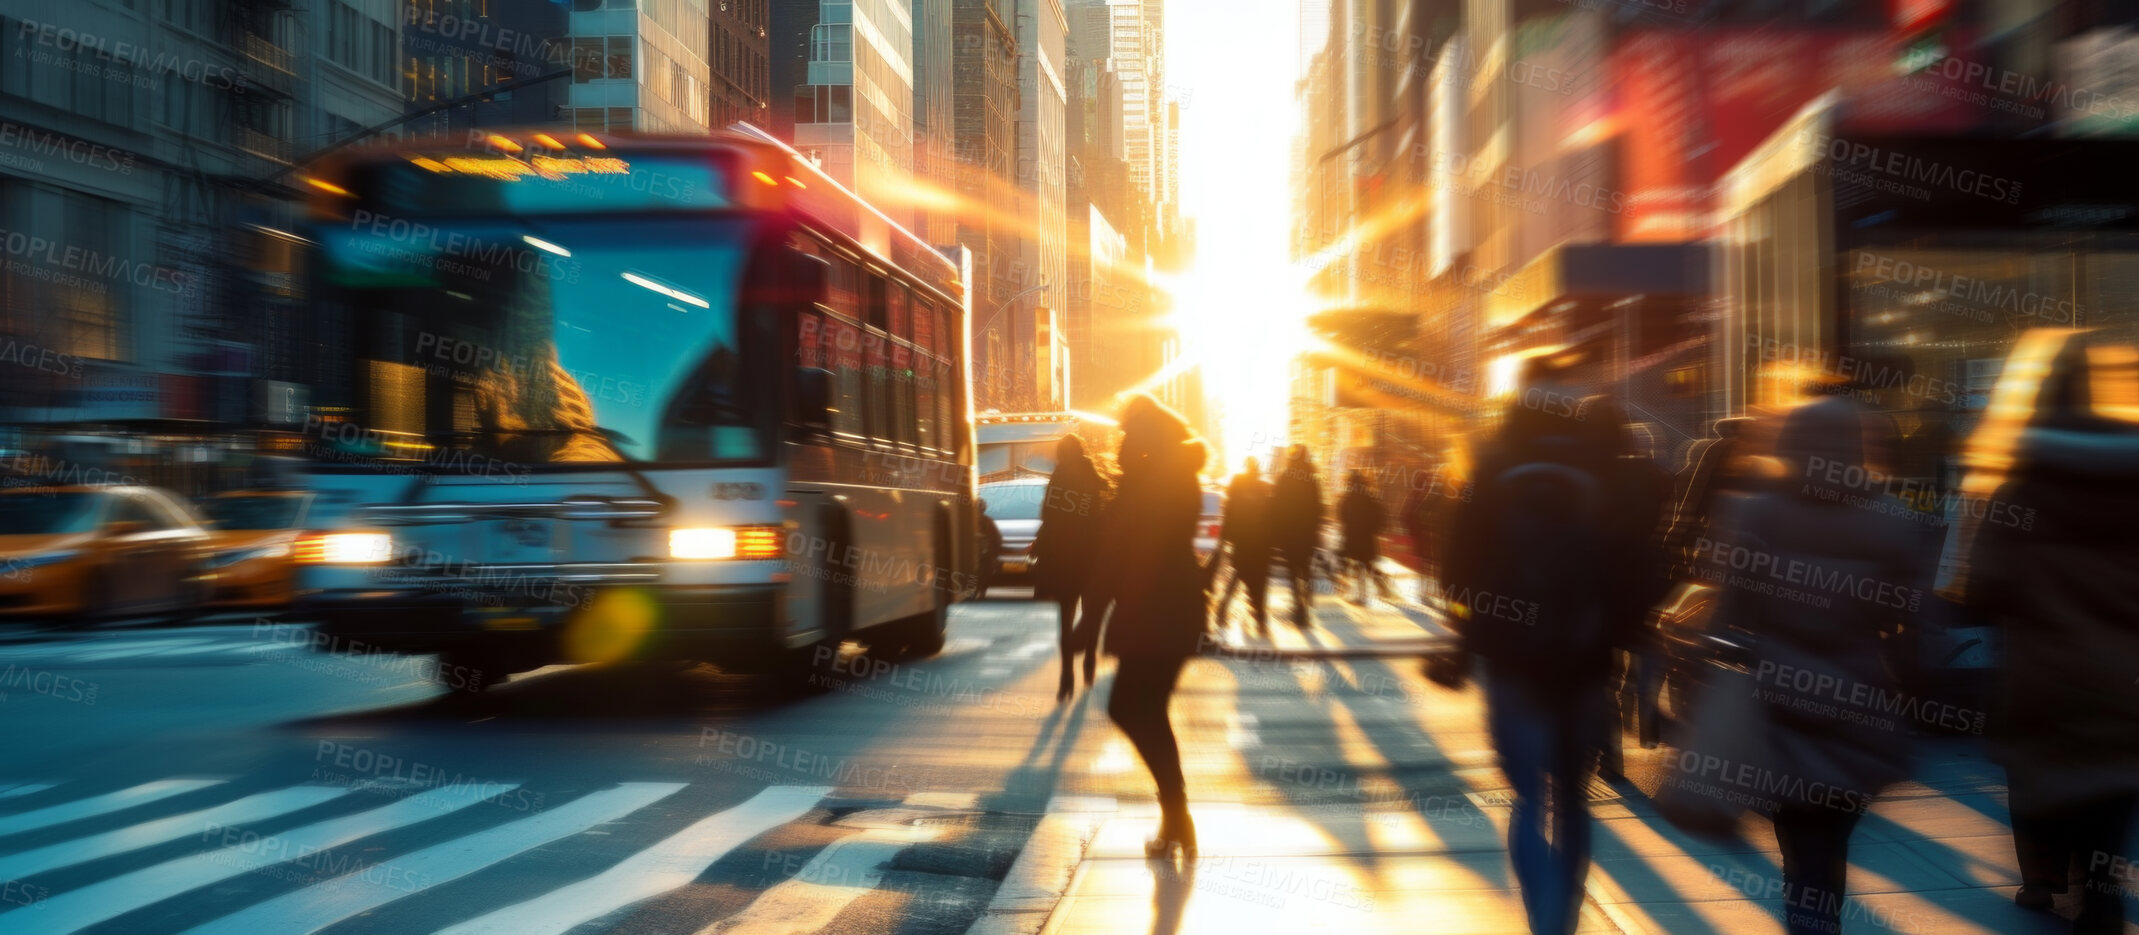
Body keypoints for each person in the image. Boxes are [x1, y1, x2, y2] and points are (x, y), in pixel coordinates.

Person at [1438, 373, 1668, 935]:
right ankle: (1560, 916)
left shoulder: (1488, 469)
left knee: (1525, 797)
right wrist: (1619, 633)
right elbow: (1641, 571)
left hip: (1511, 662)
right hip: (1583, 667)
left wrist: (1472, 633)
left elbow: (1454, 572)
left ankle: (1540, 911)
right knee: (1571, 800)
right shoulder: (1605, 472)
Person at [1708, 396, 1932, 935]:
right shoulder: (1895, 518)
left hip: (1779, 702)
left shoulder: (1755, 512)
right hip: (1859, 702)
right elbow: (1914, 622)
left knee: (1800, 851)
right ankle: (1822, 916)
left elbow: (1730, 612)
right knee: (1832, 842)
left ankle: (1812, 921)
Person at [1961, 331, 2139, 932]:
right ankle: (2100, 891)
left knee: (2040, 775)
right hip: (2124, 676)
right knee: (2111, 784)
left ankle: (2040, 879)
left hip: (2041, 677)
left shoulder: (2020, 490)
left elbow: (1983, 590)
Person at [1099, 394, 1209, 860]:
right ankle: (1176, 818)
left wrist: (1105, 613)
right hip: (1167, 610)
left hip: (1158, 611)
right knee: (1144, 708)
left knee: (1131, 706)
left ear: (1148, 434)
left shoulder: (1159, 478)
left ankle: (1177, 814)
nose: (1123, 438)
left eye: (1130, 431)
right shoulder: (1166, 472)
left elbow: (1134, 548)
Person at [1032, 434, 1112, 702]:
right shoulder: (1097, 479)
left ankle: (1066, 675)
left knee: (1064, 618)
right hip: (1092, 559)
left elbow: (1048, 516)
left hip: (1063, 560)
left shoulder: (1059, 477)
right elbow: (1104, 519)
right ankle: (1089, 659)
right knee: (1091, 613)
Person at [1213, 457, 1273, 635]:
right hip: (1260, 542)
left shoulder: (1237, 484)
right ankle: (1260, 617)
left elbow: (1229, 510)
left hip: (1242, 539)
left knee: (1238, 574)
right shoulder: (1263, 487)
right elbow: (1270, 516)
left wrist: (1226, 536)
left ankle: (1222, 611)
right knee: (1258, 580)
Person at [1269, 444, 1323, 629]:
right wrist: (1316, 529)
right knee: (1305, 570)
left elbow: (1276, 508)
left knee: (1292, 571)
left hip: (1290, 534)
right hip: (1306, 533)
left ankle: (1298, 605)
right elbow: (1318, 507)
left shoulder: (1284, 478)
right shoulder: (1312, 478)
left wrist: (1277, 533)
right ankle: (1306, 604)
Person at [1337, 470, 1387, 603]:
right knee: (1366, 564)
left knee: (1354, 564)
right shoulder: (1370, 496)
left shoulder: (1348, 497)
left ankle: (1356, 592)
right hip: (1367, 538)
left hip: (1352, 537)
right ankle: (1378, 584)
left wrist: (1348, 526)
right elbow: (1380, 516)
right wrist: (1374, 530)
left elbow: (1341, 514)